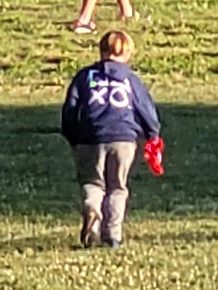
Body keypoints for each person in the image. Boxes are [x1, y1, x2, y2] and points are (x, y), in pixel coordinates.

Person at [61, 31, 162, 249]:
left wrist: (73, 136)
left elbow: (71, 108)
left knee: (92, 182)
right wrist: (152, 135)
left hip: (90, 137)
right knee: (117, 186)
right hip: (123, 138)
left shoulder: (85, 76)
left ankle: (92, 211)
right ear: (128, 53)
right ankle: (113, 235)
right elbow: (145, 110)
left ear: (101, 51)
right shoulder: (130, 79)